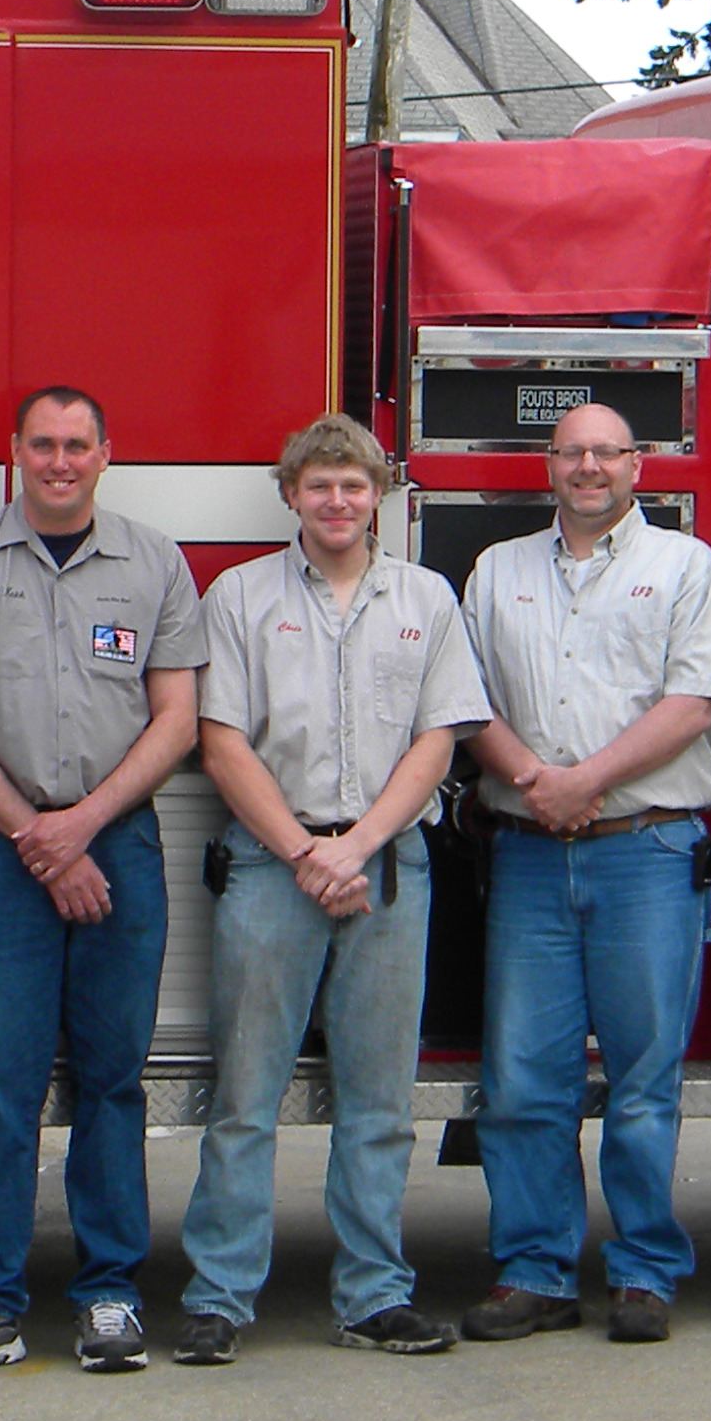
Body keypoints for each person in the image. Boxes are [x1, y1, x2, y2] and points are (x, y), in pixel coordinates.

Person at [176, 415, 489, 1364]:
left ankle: (374, 1294)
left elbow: (439, 739)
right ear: (290, 495)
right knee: (245, 1097)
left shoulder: (426, 598)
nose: (338, 500)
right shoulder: (239, 596)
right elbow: (221, 740)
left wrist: (355, 847)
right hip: (272, 867)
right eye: (319, 484)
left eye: (354, 484)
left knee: (379, 1103)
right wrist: (306, 852)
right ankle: (220, 1296)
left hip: (386, 866)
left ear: (379, 494)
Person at [0, 385, 206, 1376]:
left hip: (117, 845)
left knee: (114, 1080)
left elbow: (176, 721)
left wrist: (79, 829)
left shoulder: (154, 562)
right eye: (44, 444)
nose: (61, 461)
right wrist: (39, 836)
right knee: (5, 1083)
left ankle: (110, 1293)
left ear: (106, 454)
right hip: (5, 852)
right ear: (15, 452)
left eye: (78, 444)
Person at [457, 402, 711, 1345]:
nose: (589, 467)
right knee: (522, 1081)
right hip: (529, 854)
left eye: (607, 453)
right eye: (572, 452)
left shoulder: (686, 567)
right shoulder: (497, 571)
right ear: (549, 465)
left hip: (646, 854)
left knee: (643, 1080)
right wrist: (535, 784)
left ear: (638, 465)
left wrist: (582, 782)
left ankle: (644, 1272)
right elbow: (465, 700)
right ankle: (533, 1273)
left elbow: (696, 701)